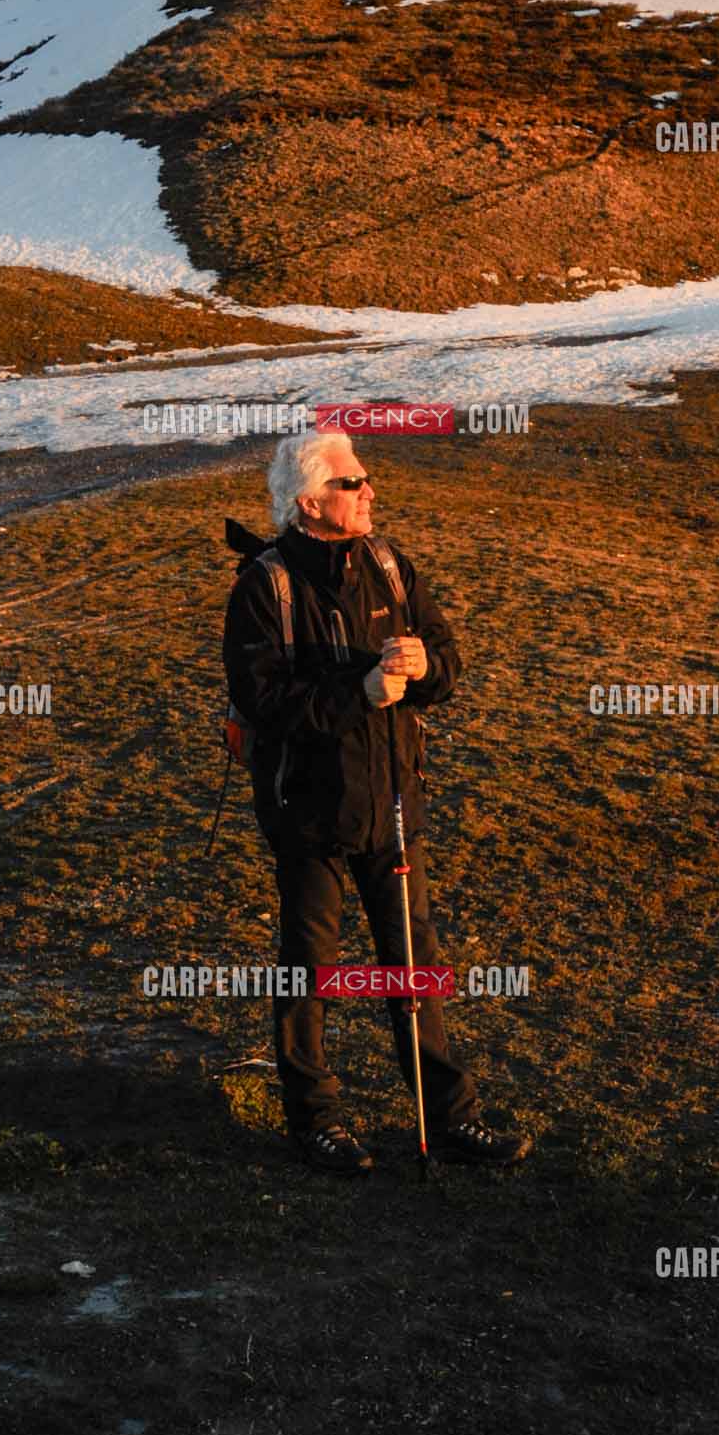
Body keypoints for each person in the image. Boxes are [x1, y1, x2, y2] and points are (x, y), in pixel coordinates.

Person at [222, 428, 530, 1174]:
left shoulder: (390, 567)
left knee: (414, 962)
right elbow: (262, 701)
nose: (369, 492)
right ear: (308, 501)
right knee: (309, 966)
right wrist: (357, 693)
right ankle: (314, 1118)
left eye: (364, 482)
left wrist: (426, 668)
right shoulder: (266, 587)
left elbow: (447, 661)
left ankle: (449, 1115)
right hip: (309, 812)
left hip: (394, 802)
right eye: (352, 483)